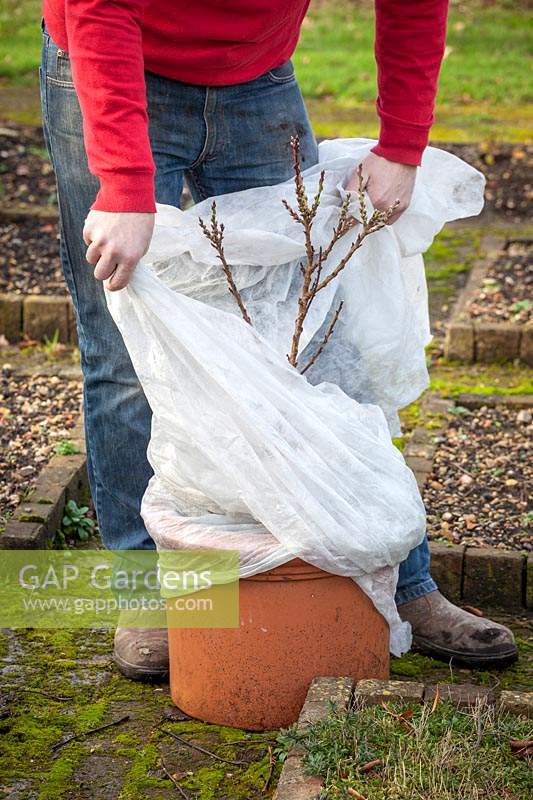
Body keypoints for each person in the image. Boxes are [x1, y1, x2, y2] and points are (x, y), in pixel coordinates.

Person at [40, 0, 517, 680]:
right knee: (123, 350)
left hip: (255, 78)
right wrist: (124, 184)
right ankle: (152, 591)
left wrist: (402, 145)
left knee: (316, 339)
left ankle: (402, 584)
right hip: (110, 62)